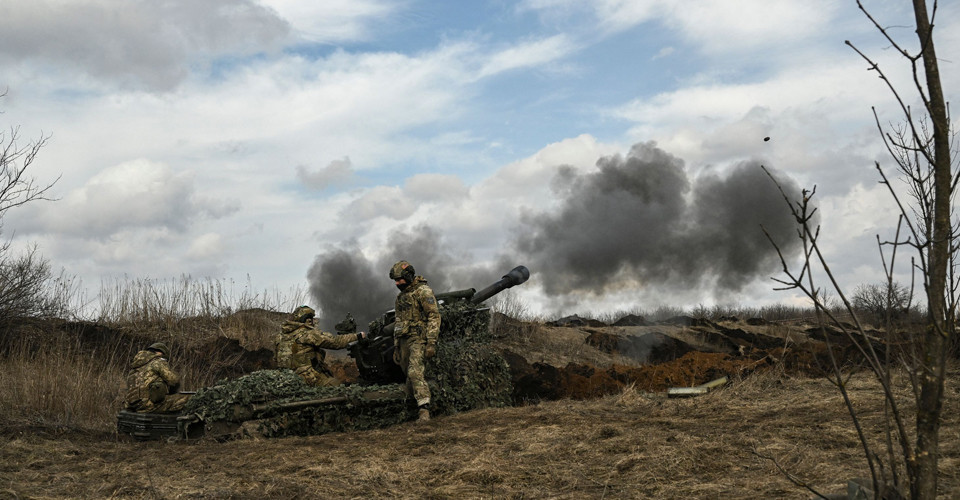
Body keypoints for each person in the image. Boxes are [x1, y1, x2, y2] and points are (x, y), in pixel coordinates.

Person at [389, 260, 441, 422]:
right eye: (395, 281)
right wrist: (397, 346)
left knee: (415, 372)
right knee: (408, 376)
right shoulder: (401, 297)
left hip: (419, 339)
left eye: (400, 280)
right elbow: (398, 322)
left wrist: (431, 342)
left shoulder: (423, 292)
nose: (397, 283)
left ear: (408, 276)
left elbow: (434, 316)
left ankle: (424, 410)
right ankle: (411, 408)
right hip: (404, 340)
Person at [274, 305, 366, 387]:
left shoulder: (280, 336)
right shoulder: (307, 333)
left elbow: (277, 359)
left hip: (285, 378)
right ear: (307, 319)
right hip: (306, 378)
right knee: (338, 387)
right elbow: (335, 342)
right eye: (311, 319)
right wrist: (357, 336)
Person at [124, 342, 192, 413]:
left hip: (131, 405)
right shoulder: (157, 362)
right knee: (190, 399)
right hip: (147, 405)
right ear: (160, 352)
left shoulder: (136, 365)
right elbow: (173, 379)